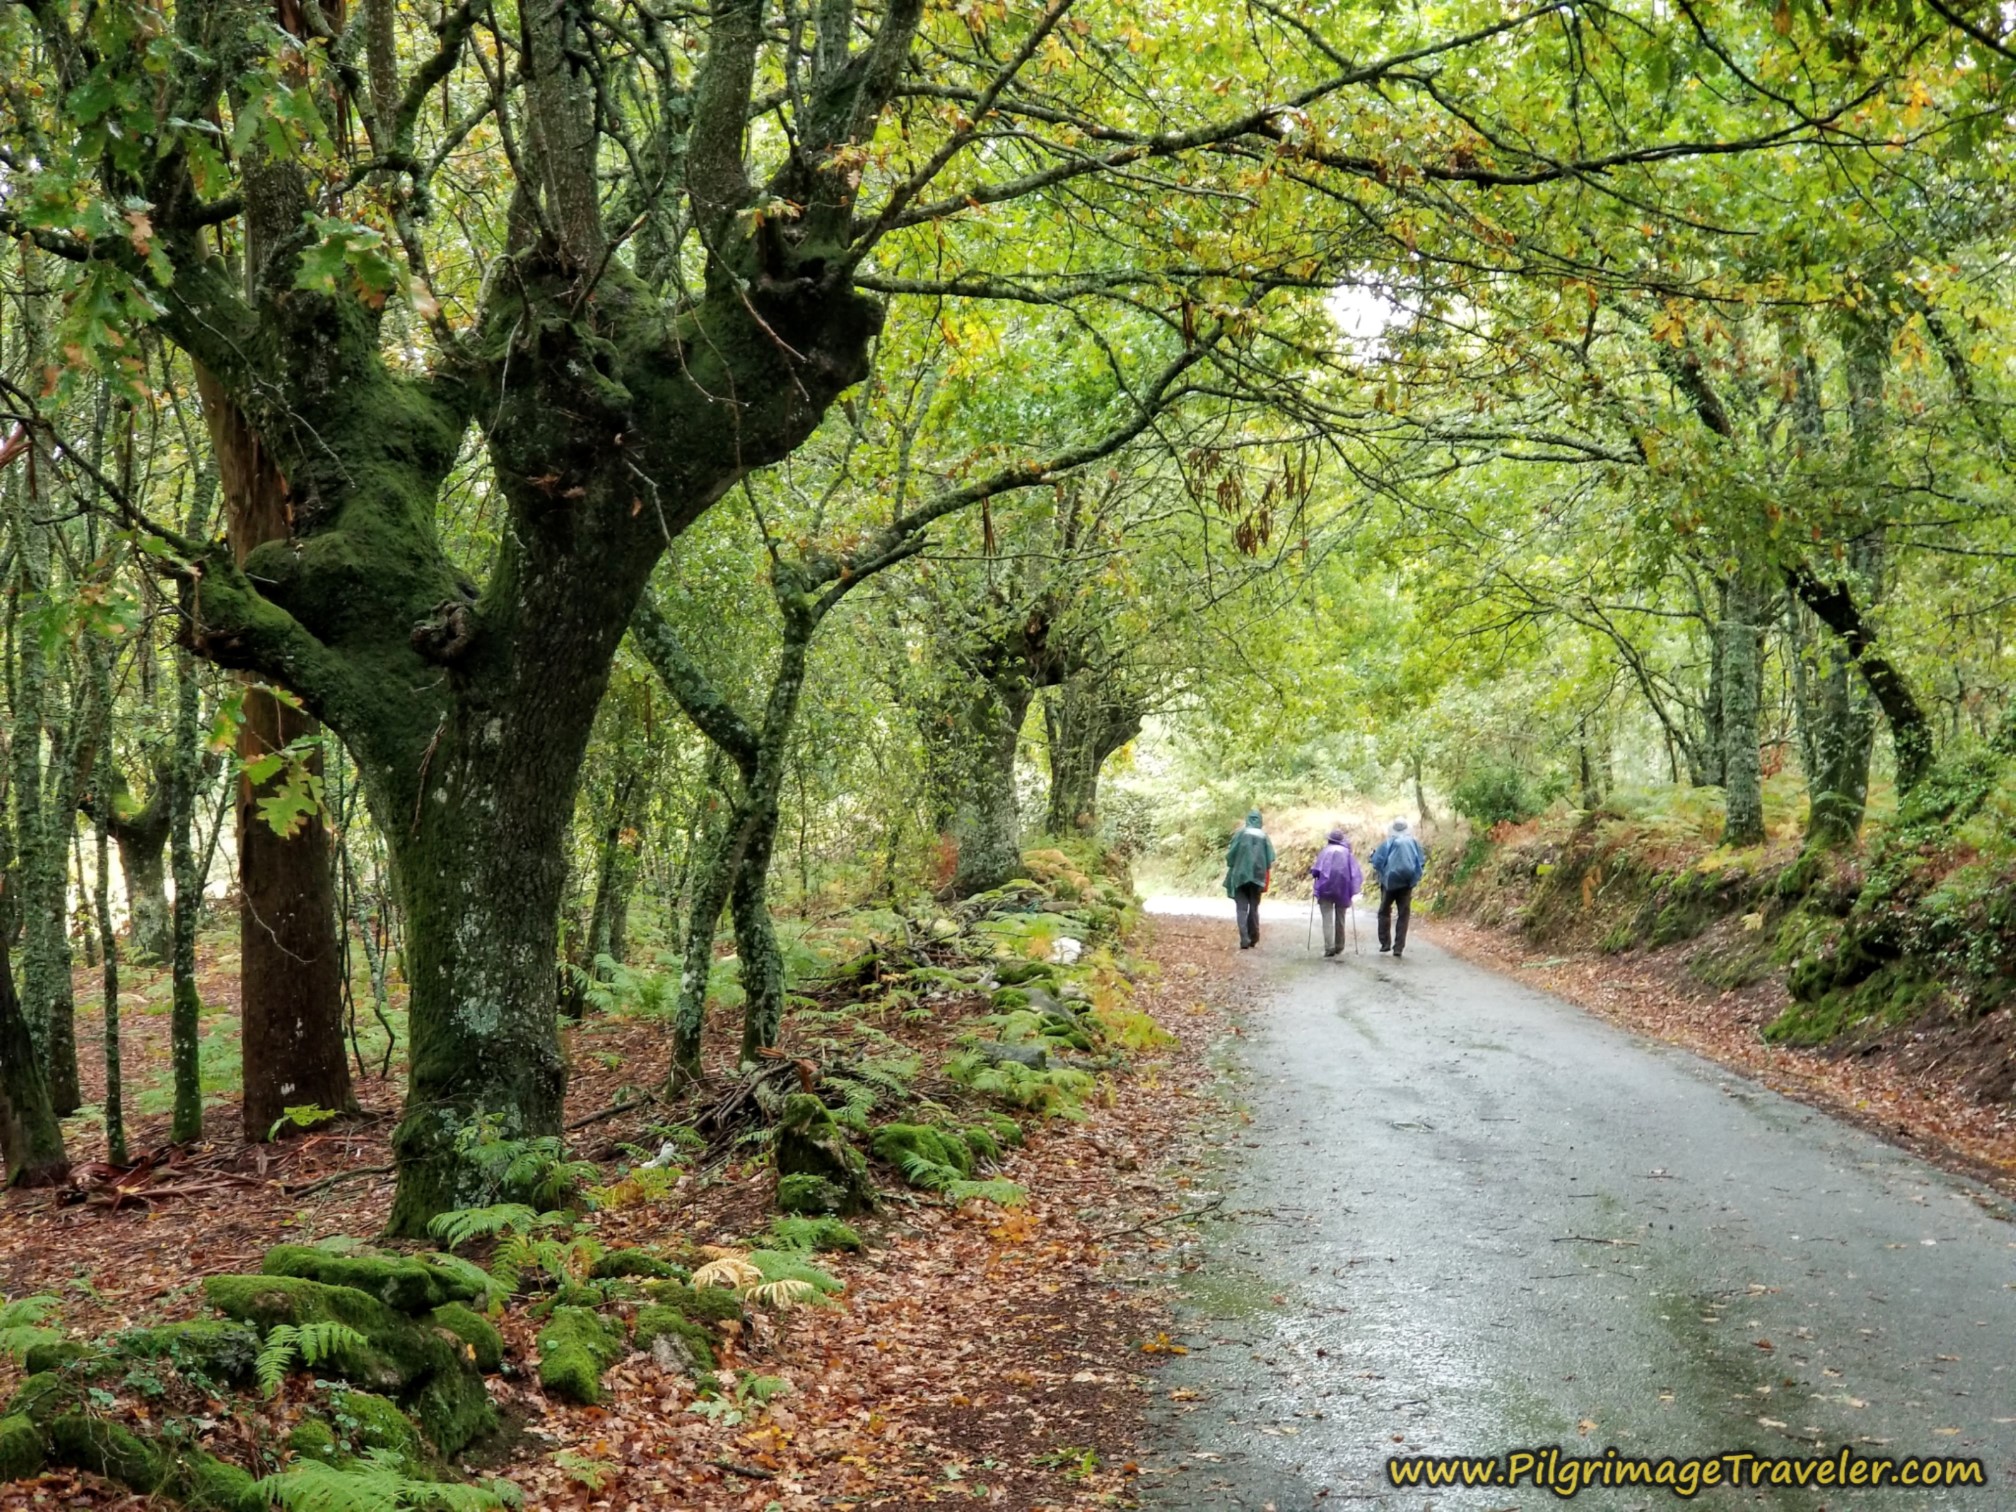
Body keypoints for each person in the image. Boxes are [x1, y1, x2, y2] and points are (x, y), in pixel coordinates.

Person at [1369, 818, 1426, 960]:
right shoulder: (1413, 842)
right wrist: (1414, 877)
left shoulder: (1388, 842)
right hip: (1407, 883)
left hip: (1389, 883)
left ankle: (1385, 943)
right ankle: (1399, 947)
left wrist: (1383, 872)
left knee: (1384, 912)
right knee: (1403, 914)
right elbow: (1421, 861)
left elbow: (1377, 861)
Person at [1223, 809, 1275, 950]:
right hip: (1258, 877)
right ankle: (1254, 936)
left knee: (1241, 908)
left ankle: (1244, 938)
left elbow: (1231, 855)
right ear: (1259, 820)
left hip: (1240, 876)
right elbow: (1270, 858)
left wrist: (1234, 865)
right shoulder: (1264, 837)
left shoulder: (1240, 834)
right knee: (1254, 907)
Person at [1309, 827, 1363, 957]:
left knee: (1327, 917)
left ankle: (1329, 947)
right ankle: (1339, 946)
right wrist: (1353, 887)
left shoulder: (1325, 852)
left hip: (1325, 888)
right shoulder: (1347, 853)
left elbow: (1316, 871)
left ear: (1329, 840)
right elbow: (1354, 872)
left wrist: (1315, 874)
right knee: (1340, 917)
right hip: (1343, 889)